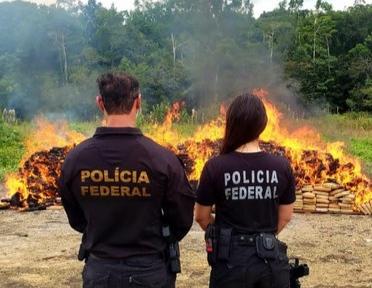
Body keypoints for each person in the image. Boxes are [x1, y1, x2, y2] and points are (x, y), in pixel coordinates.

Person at [59, 72, 195, 288]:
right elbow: (182, 220)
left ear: (100, 102)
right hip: (149, 270)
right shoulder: (162, 159)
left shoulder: (75, 160)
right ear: (138, 102)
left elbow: (76, 219)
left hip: (100, 271)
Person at [195, 93, 295, 288]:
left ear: (231, 122)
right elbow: (285, 216)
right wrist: (262, 235)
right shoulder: (282, 166)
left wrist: (225, 234)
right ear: (263, 124)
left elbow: (201, 216)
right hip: (271, 262)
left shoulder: (215, 167)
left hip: (230, 262)